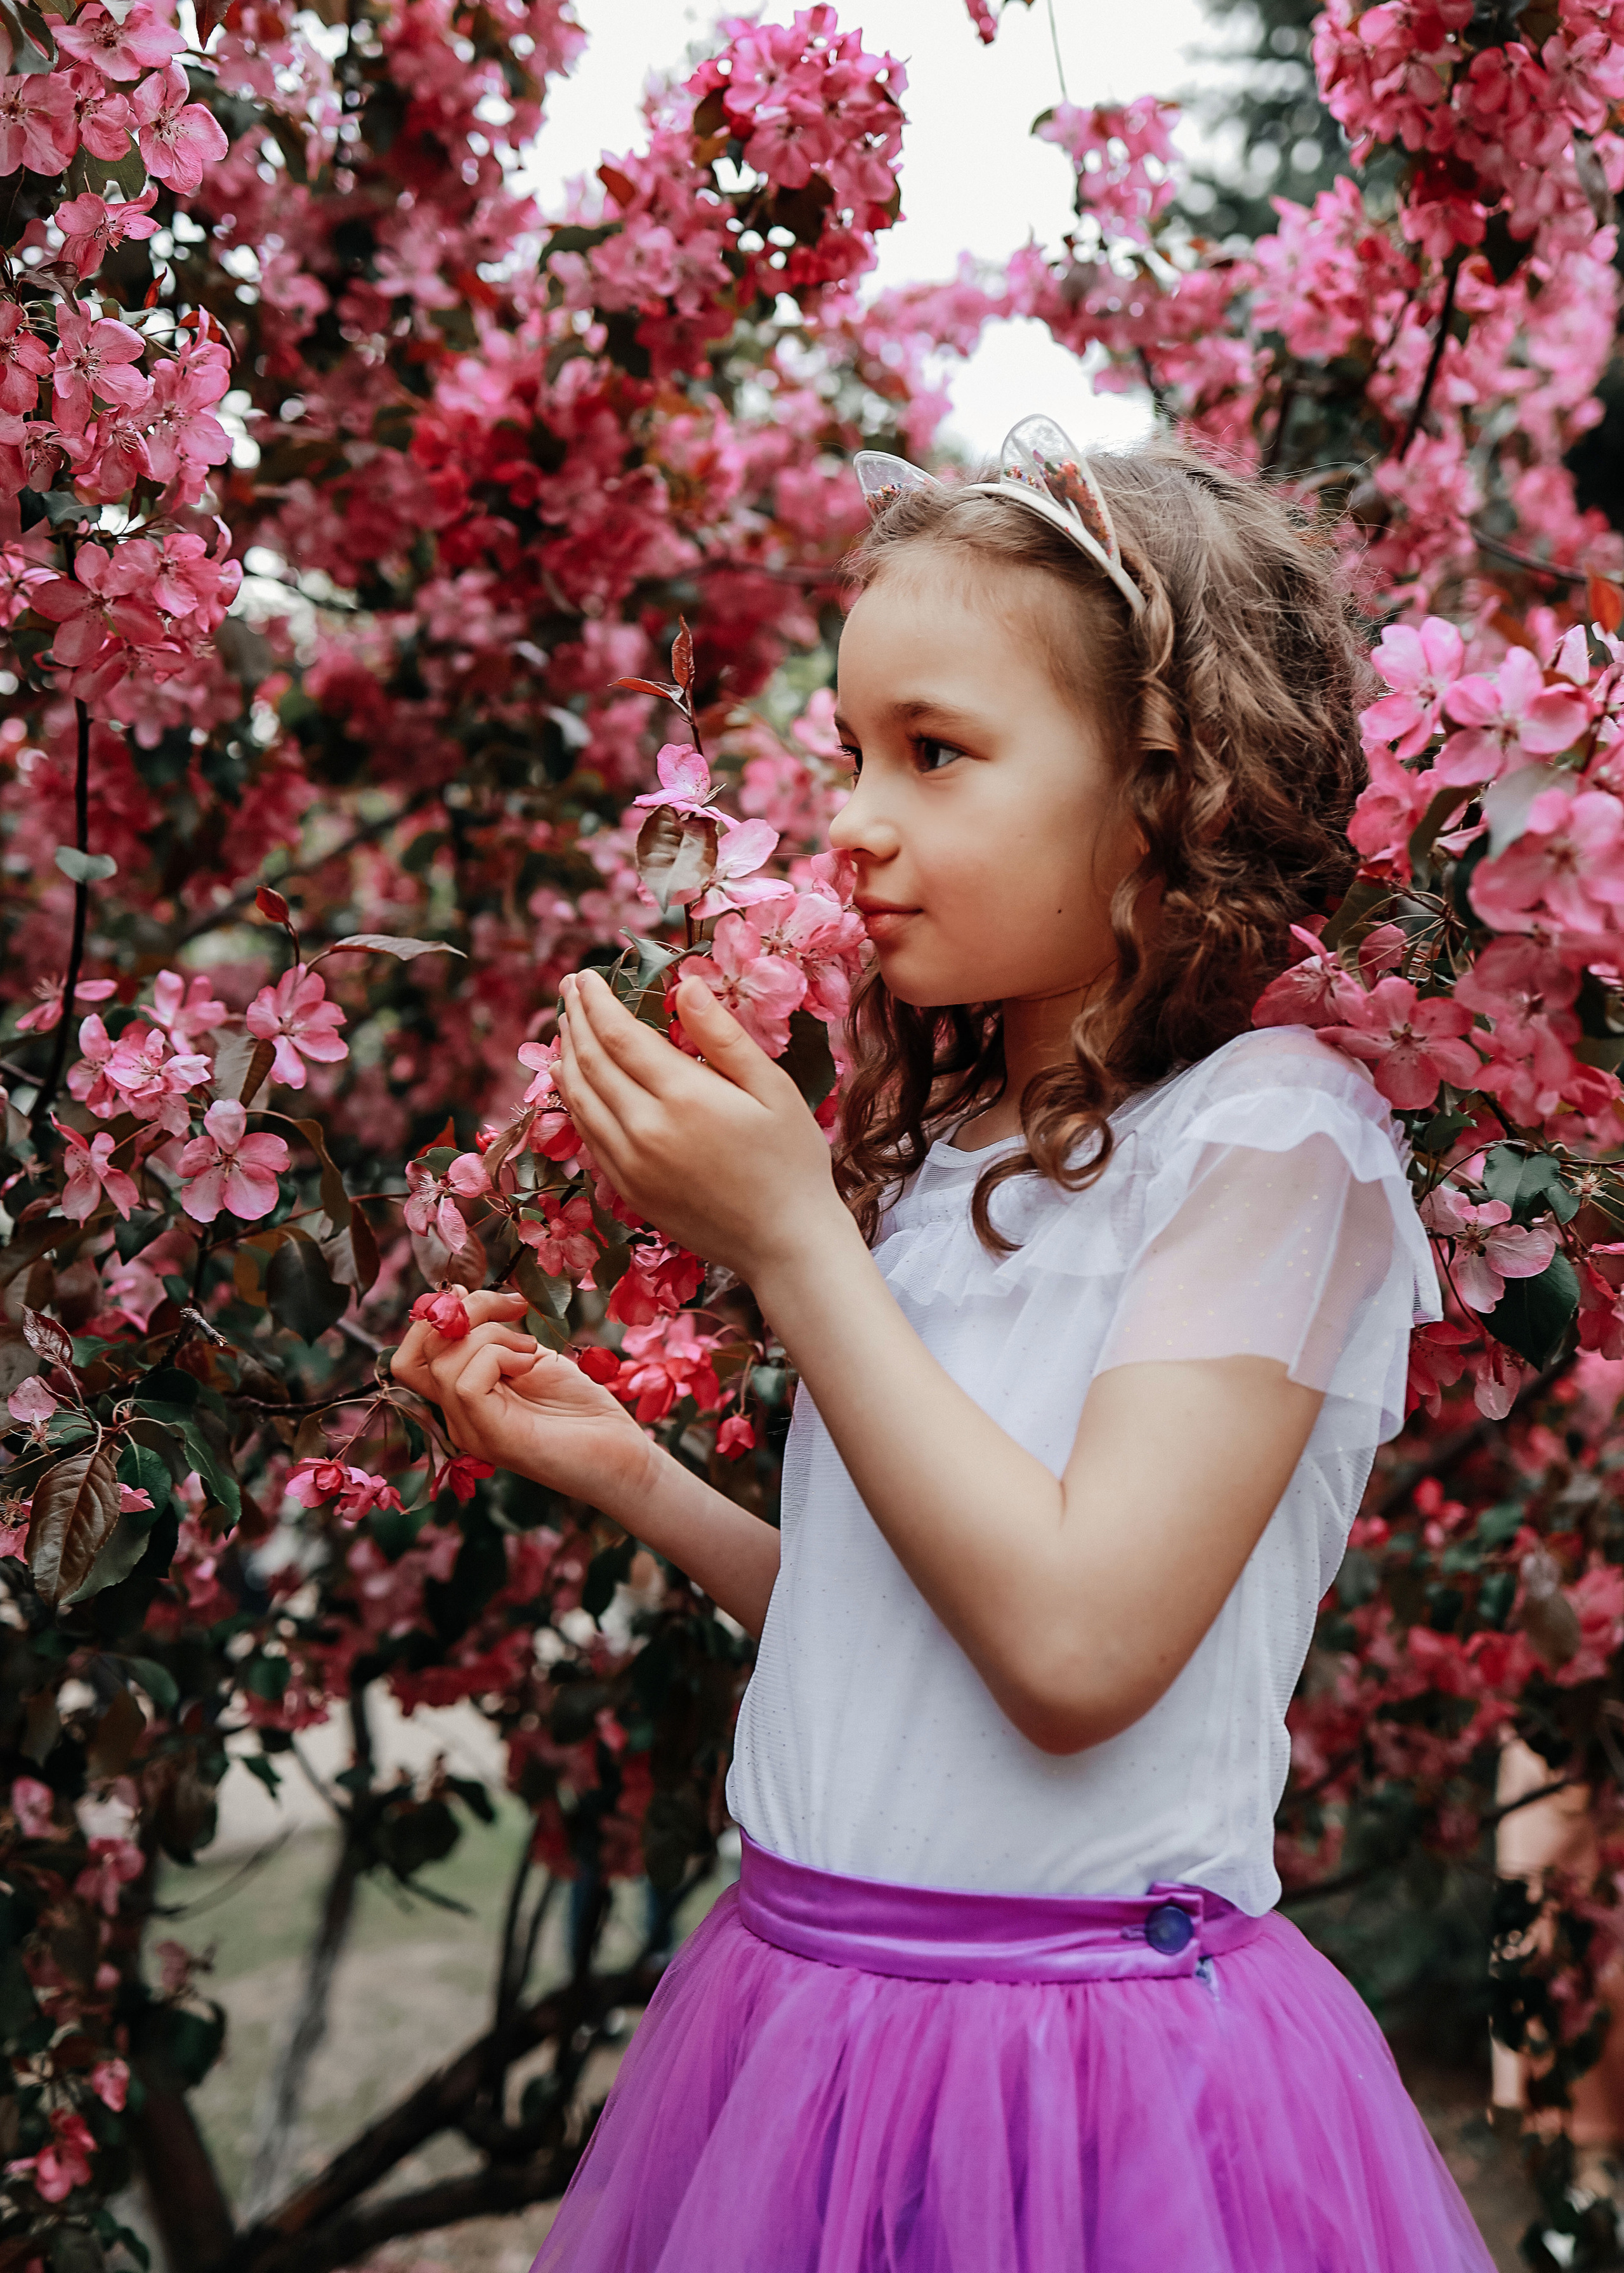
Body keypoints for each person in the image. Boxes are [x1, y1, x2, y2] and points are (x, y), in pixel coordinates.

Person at [391, 421, 1496, 2270]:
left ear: (1161, 788)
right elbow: (917, 1633)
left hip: (1078, 2075)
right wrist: (629, 1473)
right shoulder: (958, 1153)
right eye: (851, 754)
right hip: (801, 2015)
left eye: (938, 752)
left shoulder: (1274, 1143)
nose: (850, 820)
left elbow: (1074, 1650)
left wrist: (791, 1239)